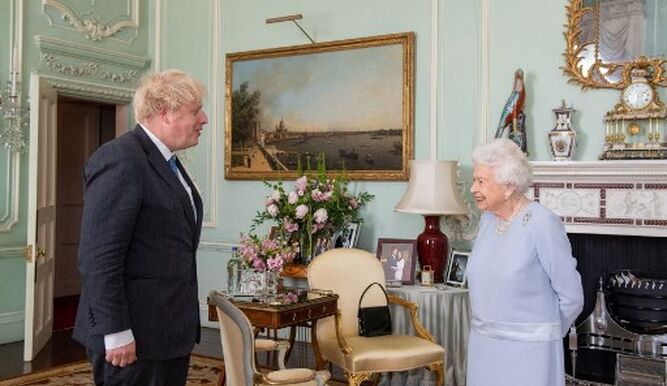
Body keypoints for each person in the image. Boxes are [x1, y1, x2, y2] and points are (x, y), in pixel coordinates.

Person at [73, 69, 208, 386]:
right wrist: (115, 331)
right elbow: (98, 256)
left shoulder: (167, 162)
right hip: (132, 335)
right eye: (195, 111)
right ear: (165, 113)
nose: (204, 119)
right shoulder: (121, 158)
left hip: (166, 333)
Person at [466, 138, 583, 386]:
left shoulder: (542, 223)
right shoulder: (488, 221)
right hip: (483, 348)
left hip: (530, 355)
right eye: (475, 180)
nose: (473, 188)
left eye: (481, 181)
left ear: (508, 186)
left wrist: (543, 334)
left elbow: (572, 296)